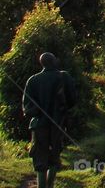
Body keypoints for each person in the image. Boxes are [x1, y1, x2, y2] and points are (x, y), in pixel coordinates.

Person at [22, 52, 77, 188]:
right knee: (55, 155)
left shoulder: (33, 80)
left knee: (40, 158)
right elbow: (72, 100)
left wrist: (38, 112)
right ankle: (50, 185)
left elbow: (27, 107)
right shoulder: (64, 77)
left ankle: (41, 186)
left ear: (42, 63)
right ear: (55, 61)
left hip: (39, 124)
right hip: (58, 122)